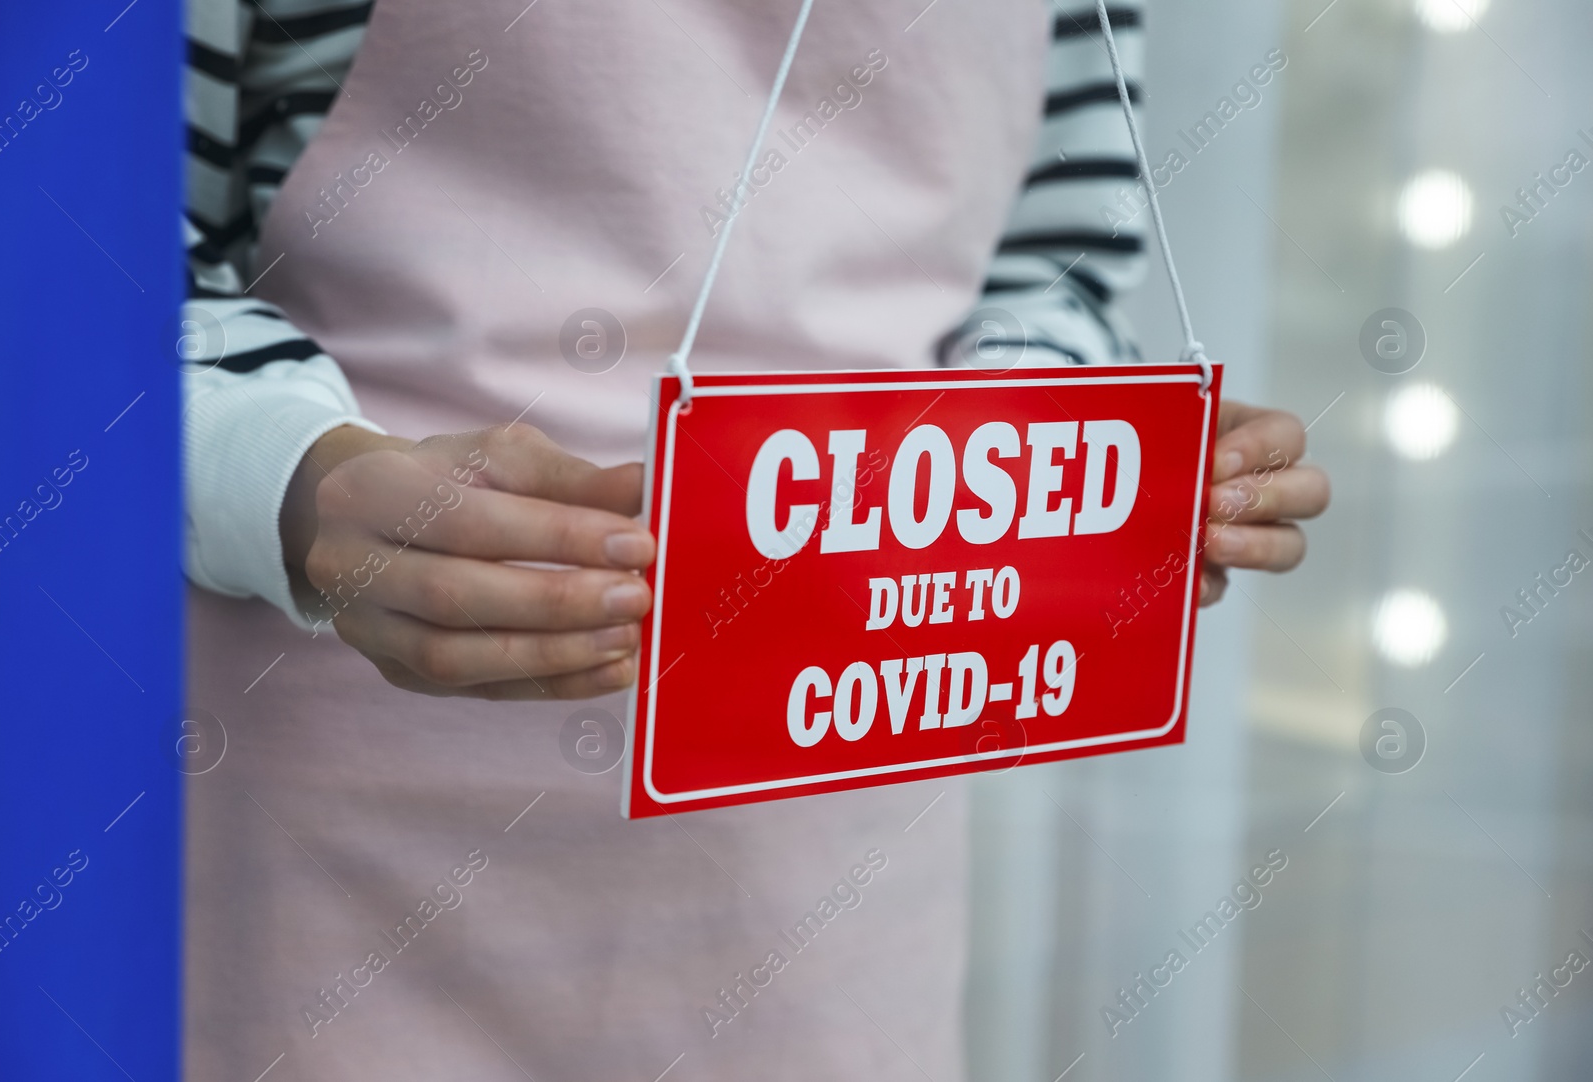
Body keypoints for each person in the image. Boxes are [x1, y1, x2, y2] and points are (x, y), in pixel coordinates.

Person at [180, 1, 1330, 1077]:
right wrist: (283, 479)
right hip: (333, 810)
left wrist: (1056, 468)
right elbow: (112, 256)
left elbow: (1058, 260)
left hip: (839, 837)